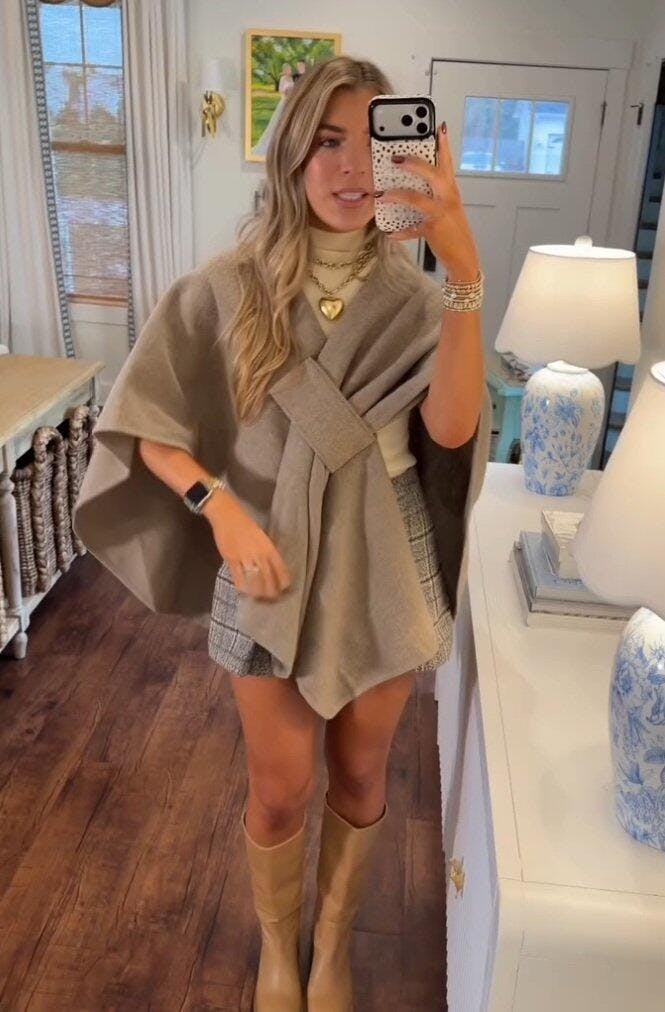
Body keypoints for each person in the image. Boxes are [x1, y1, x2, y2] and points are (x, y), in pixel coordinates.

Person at [73, 55, 490, 1012]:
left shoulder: (421, 303)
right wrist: (216, 507)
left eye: (372, 143)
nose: (349, 167)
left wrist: (464, 271)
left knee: (361, 771)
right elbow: (145, 422)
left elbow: (452, 429)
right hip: (266, 555)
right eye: (326, 142)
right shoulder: (224, 288)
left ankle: (331, 947)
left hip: (385, 554)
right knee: (279, 788)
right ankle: (275, 948)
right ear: (290, 154)